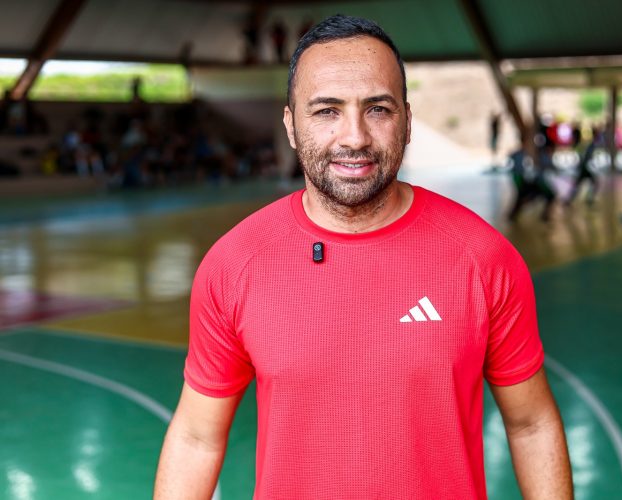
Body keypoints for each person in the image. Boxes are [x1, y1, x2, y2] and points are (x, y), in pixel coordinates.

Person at [154, 15, 572, 500]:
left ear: (407, 121)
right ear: (291, 126)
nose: (354, 137)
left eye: (377, 109)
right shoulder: (234, 265)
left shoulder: (483, 258)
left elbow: (531, 424)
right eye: (326, 111)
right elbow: (197, 437)